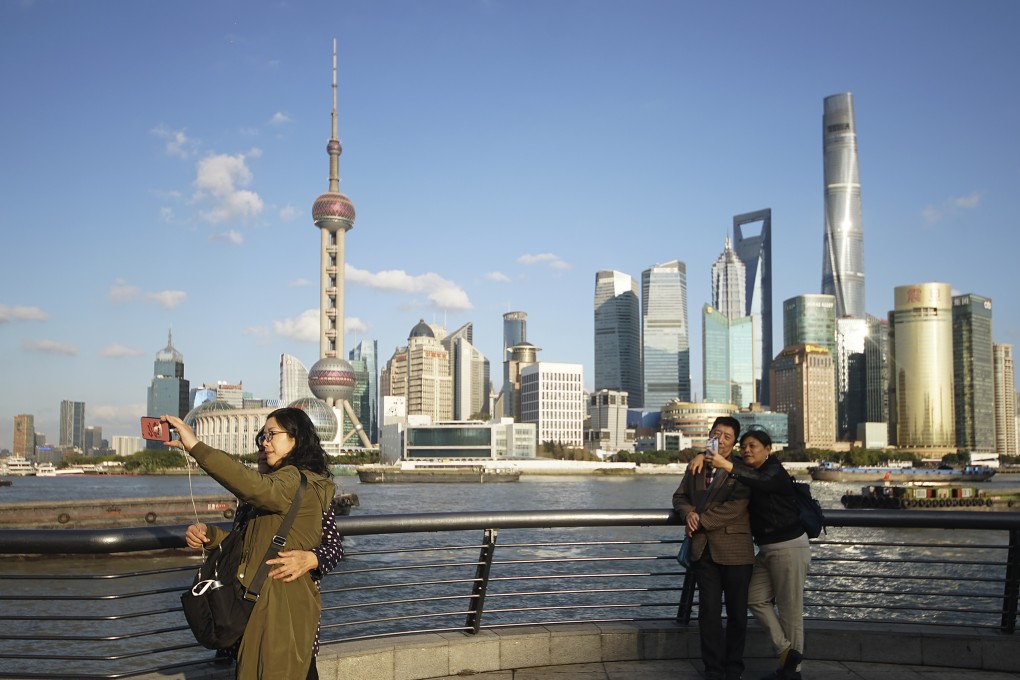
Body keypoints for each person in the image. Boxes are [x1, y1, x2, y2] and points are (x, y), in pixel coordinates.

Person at [167, 407, 336, 680]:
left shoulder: (292, 482)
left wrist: (195, 446)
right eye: (262, 436)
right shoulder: (280, 487)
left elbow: (248, 484)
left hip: (279, 605)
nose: (264, 442)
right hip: (263, 599)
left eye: (272, 435)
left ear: (296, 439)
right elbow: (248, 542)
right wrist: (210, 536)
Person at [194, 447, 344, 680]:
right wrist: (210, 535)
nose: (264, 449)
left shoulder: (309, 492)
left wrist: (311, 558)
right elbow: (242, 545)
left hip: (289, 608)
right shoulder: (250, 501)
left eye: (272, 437)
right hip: (250, 604)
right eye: (261, 442)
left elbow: (335, 547)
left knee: (301, 669)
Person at [690, 428, 809, 680]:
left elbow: (762, 482)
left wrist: (726, 465)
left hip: (789, 546)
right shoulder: (752, 472)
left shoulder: (774, 471)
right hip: (767, 549)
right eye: (743, 446)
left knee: (790, 610)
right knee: (753, 598)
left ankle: (793, 673)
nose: (746, 450)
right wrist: (703, 455)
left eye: (753, 446)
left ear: (768, 449)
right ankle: (787, 652)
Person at [672, 416, 755, 680]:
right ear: (709, 434)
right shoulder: (696, 466)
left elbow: (736, 507)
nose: (720, 439)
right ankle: (713, 669)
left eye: (727, 436)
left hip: (735, 550)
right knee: (708, 612)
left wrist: (700, 520)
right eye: (716, 433)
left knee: (737, 613)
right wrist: (687, 514)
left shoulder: (740, 469)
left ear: (734, 443)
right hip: (703, 550)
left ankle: (733, 668)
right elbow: (680, 496)